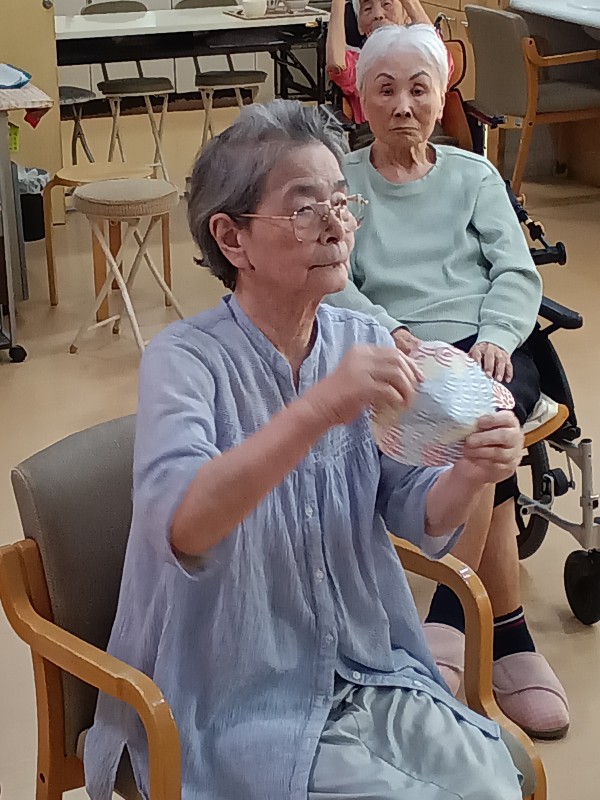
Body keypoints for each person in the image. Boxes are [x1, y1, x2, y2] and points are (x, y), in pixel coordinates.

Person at [84, 100, 526, 800]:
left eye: (341, 203)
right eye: (304, 207)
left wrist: (470, 472)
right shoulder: (183, 360)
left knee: (494, 782)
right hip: (230, 698)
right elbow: (185, 526)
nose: (335, 225)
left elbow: (415, 514)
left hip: (367, 666)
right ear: (232, 239)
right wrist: (318, 408)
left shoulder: (361, 339)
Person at [325, 23, 570, 741]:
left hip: (487, 347)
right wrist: (388, 330)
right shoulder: (343, 182)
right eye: (385, 89)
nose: (403, 105)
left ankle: (448, 617)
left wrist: (496, 334)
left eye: (418, 89)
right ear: (362, 99)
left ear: (442, 96)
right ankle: (506, 628)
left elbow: (515, 270)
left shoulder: (473, 175)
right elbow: (337, 279)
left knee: (483, 412)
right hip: (399, 349)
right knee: (473, 423)